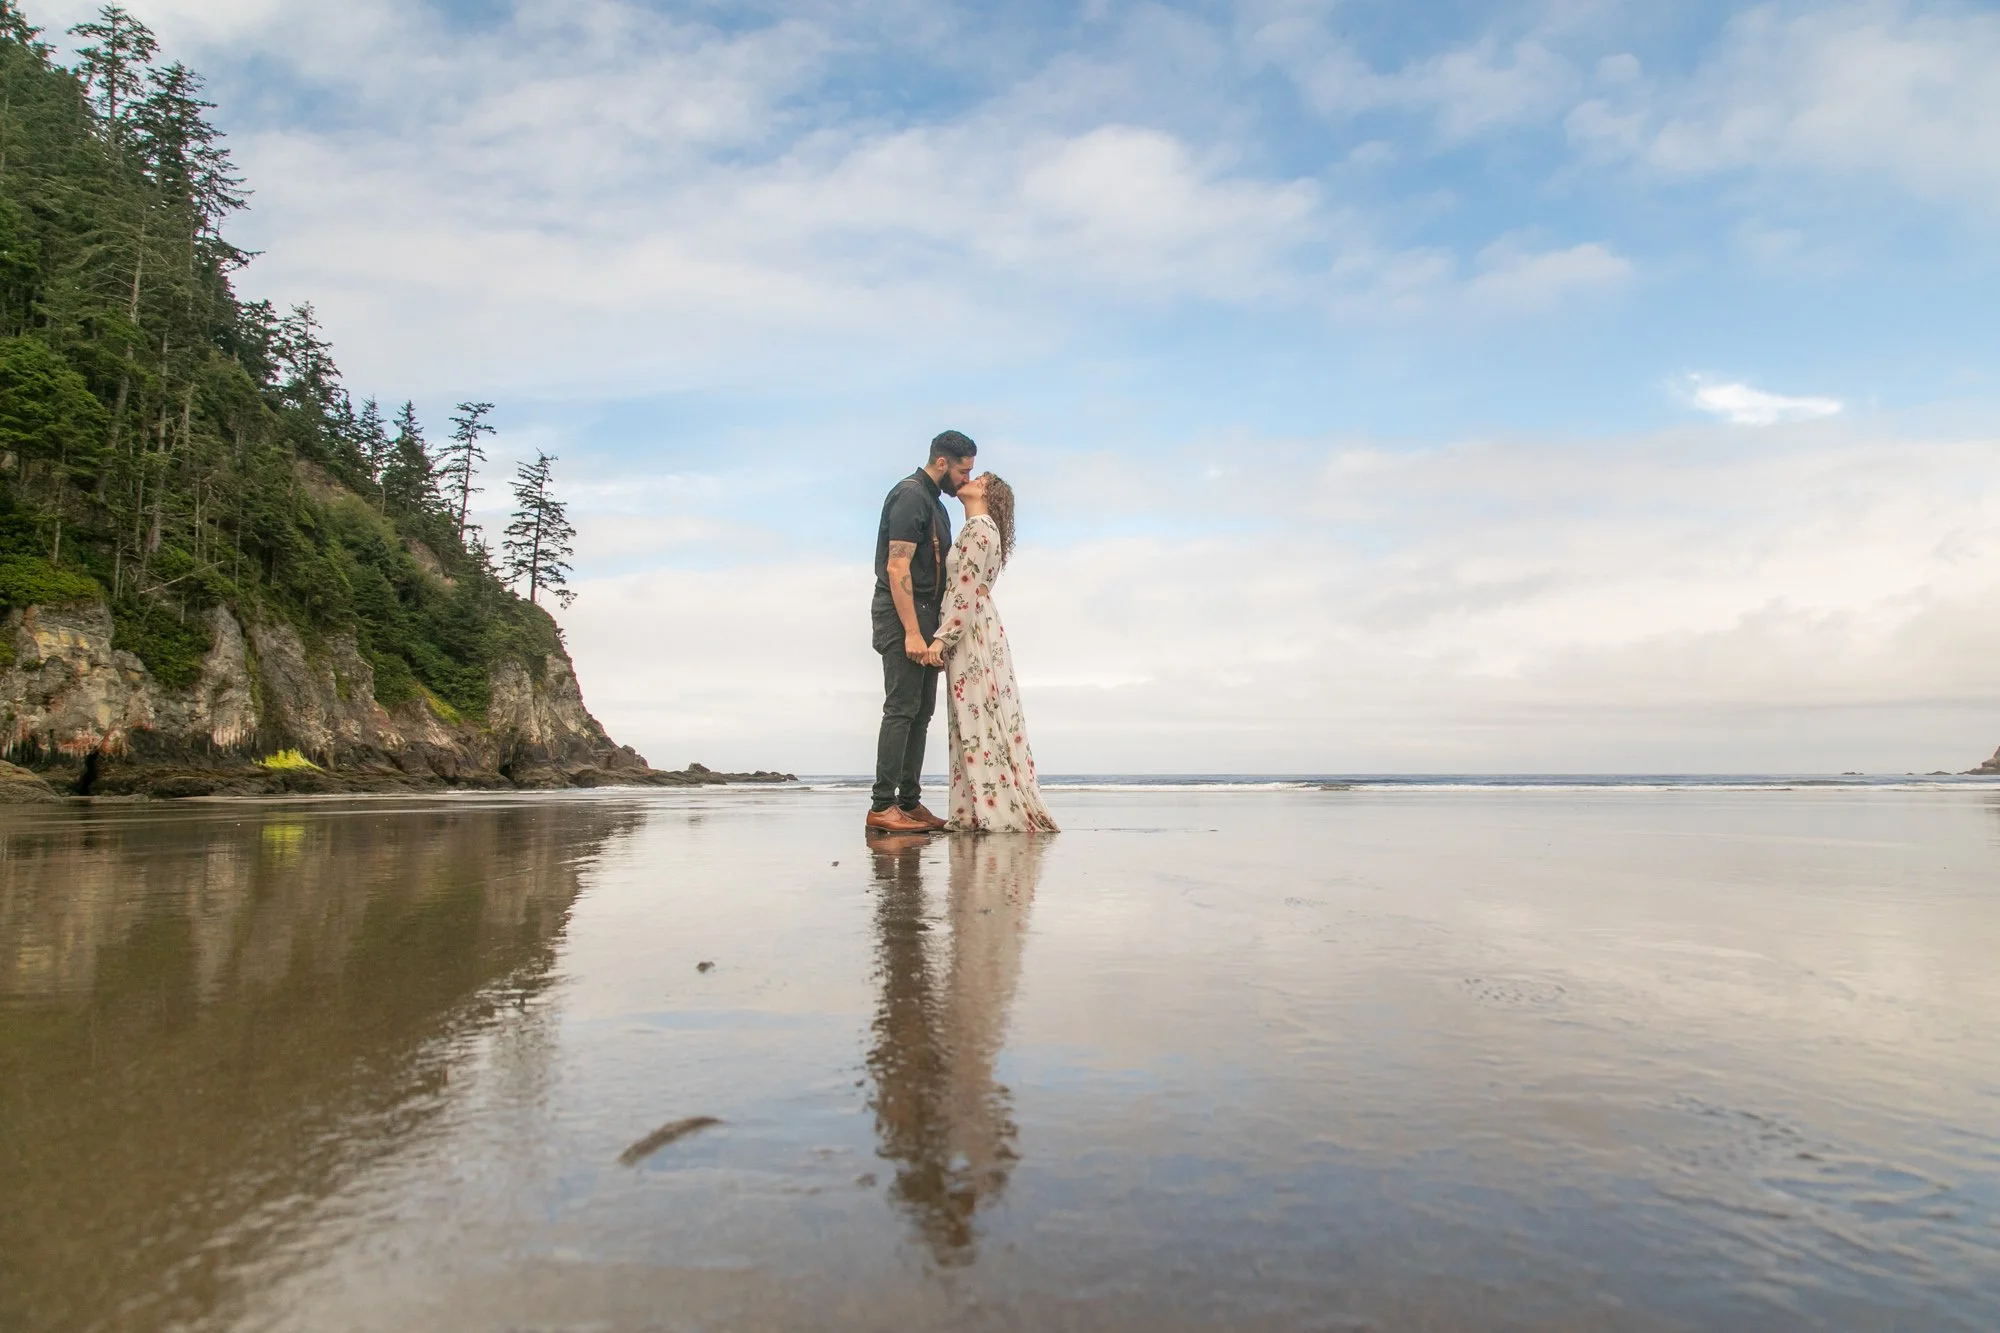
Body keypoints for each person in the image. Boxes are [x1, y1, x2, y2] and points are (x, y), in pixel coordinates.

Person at [925, 473, 1058, 833]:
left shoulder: (978, 527)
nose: (969, 479)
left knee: (975, 712)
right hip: (978, 624)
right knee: (979, 710)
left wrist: (943, 638)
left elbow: (965, 588)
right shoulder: (983, 529)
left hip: (970, 629)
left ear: (988, 492)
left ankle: (987, 808)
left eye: (979, 478)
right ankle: (977, 806)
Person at [866, 430, 978, 832]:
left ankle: (909, 803)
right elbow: (898, 568)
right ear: (942, 462)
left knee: (921, 713)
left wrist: (937, 631)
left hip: (927, 616)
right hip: (902, 615)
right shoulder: (912, 494)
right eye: (964, 471)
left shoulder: (937, 505)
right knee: (900, 708)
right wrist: (912, 633)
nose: (967, 479)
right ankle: (882, 805)